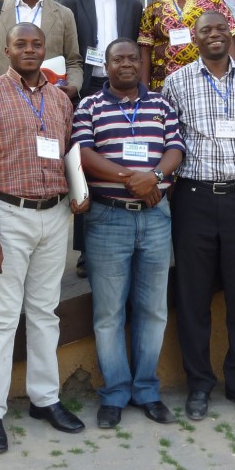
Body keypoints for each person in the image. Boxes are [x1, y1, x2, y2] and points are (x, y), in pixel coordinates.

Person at [0, 23, 90, 455]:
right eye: (21, 44)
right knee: (0, 318)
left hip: (54, 216)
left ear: (45, 49)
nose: (30, 50)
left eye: (37, 44)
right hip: (6, 215)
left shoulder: (58, 98)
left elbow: (69, 151)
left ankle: (44, 399)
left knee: (45, 312)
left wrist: (77, 193)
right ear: (6, 49)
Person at [72, 37, 185, 429]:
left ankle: (147, 391)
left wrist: (153, 177)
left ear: (141, 63)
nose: (125, 64)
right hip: (108, 219)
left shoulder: (162, 104)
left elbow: (176, 149)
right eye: (117, 58)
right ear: (105, 65)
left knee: (153, 310)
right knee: (109, 313)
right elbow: (83, 154)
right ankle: (115, 393)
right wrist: (129, 178)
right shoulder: (88, 105)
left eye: (131, 58)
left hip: (156, 217)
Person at [162, 10, 235, 421]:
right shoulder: (176, 82)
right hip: (194, 198)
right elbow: (169, 139)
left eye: (220, 29)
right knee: (193, 296)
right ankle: (199, 384)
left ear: (230, 33)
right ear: (194, 37)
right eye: (205, 30)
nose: (214, 35)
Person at [61, 0, 144, 277]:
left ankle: (128, 235)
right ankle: (84, 250)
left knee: (122, 157)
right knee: (83, 163)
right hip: (87, 89)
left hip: (122, 86)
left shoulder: (133, 5)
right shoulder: (71, 1)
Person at [138, 0, 235, 90]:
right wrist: (144, 88)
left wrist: (230, 77)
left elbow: (229, 38)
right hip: (164, 85)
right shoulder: (153, 7)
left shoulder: (212, 0)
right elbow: (145, 50)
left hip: (206, 82)